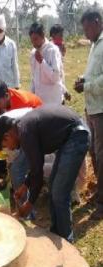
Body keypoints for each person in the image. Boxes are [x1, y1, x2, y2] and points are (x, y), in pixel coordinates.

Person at [0, 106, 90, 242]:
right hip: (69, 138)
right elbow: (35, 168)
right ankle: (57, 234)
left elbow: (37, 174)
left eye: (5, 145)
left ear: (7, 135)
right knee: (53, 188)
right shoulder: (23, 129)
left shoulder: (25, 133)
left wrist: (29, 203)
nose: (9, 148)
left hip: (76, 136)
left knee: (59, 194)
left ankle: (67, 241)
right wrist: (25, 186)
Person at [74, 9, 103, 220]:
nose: (85, 33)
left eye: (87, 28)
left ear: (97, 22)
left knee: (102, 156)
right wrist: (83, 79)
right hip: (92, 108)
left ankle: (102, 204)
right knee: (94, 152)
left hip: (101, 109)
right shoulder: (95, 45)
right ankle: (99, 193)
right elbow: (94, 73)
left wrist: (87, 85)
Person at [29, 23, 65, 107]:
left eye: (36, 39)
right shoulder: (33, 53)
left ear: (42, 36)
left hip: (53, 102)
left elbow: (56, 78)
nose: (33, 43)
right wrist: (31, 96)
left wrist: (42, 62)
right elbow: (34, 78)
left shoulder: (53, 50)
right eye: (32, 41)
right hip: (39, 103)